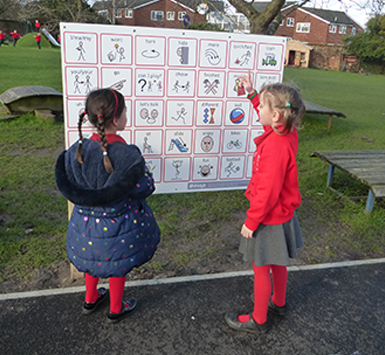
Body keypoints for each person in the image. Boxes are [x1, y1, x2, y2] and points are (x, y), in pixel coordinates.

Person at [55, 88, 161, 323]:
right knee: (116, 264)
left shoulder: (77, 150)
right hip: (118, 228)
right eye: (125, 112)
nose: (126, 116)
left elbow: (71, 182)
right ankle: (116, 308)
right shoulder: (127, 156)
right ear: (116, 119)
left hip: (84, 226)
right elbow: (144, 188)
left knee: (92, 261)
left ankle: (91, 299)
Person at [225, 73, 306, 335]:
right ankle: (279, 303)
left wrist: (252, 221)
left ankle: (258, 319)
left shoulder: (275, 146)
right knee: (278, 262)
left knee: (261, 268)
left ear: (276, 116)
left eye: (261, 106)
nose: (258, 108)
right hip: (283, 213)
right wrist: (251, 93)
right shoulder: (286, 132)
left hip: (269, 216)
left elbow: (267, 191)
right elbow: (268, 118)